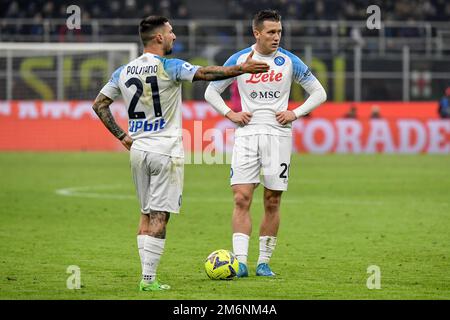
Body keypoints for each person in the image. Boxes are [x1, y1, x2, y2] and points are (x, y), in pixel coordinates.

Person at [92, 15, 269, 291]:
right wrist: (241, 69)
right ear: (159, 37)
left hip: (138, 150)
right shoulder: (169, 66)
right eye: (171, 32)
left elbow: (99, 105)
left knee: (145, 213)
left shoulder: (123, 71)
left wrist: (122, 136)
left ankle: (145, 276)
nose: (174, 36)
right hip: (165, 151)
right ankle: (149, 280)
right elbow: (205, 74)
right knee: (160, 216)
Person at [204, 10, 326, 277]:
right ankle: (241, 262)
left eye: (279, 32)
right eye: (271, 32)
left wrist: (295, 112)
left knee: (272, 200)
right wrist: (230, 113)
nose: (277, 37)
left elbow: (319, 92)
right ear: (256, 33)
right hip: (247, 135)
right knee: (241, 197)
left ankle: (264, 262)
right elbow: (211, 91)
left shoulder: (289, 61)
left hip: (279, 136)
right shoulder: (240, 60)